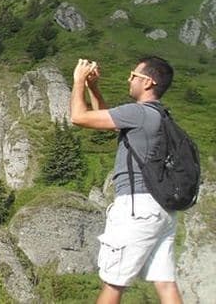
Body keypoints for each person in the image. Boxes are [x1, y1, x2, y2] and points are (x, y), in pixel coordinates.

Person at [70, 56, 182, 304]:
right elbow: (108, 123)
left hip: (136, 208)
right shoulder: (161, 115)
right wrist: (94, 88)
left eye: (134, 75)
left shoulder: (139, 113)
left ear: (149, 82)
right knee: (164, 283)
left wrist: (78, 81)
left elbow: (79, 117)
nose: (129, 79)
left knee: (114, 283)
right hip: (161, 210)